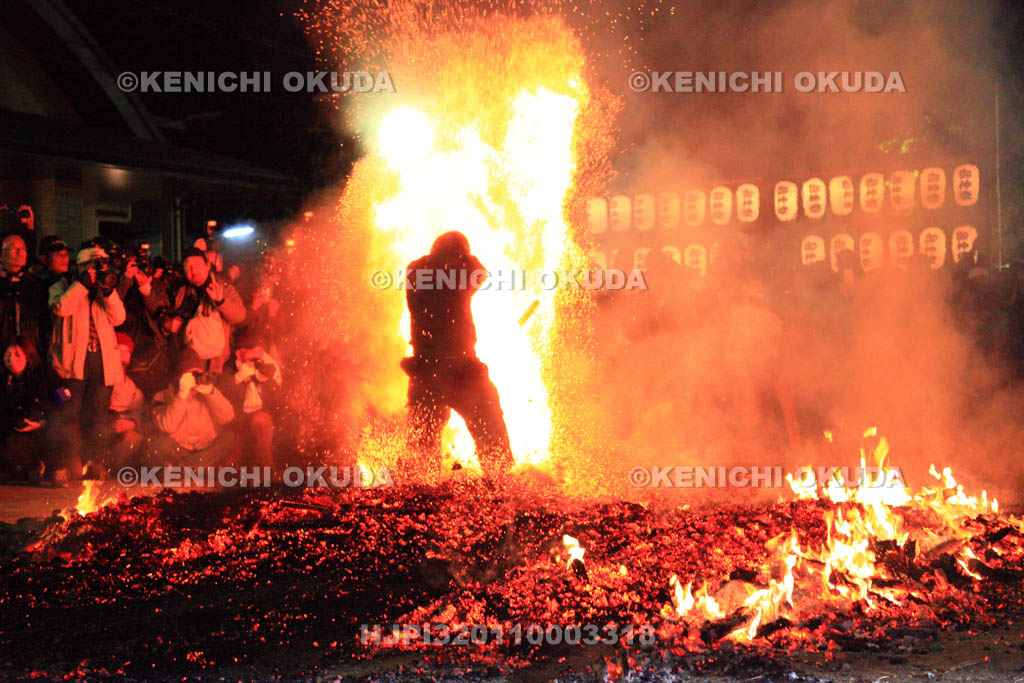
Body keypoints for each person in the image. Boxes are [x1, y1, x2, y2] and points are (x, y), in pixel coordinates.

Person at [402, 231, 513, 480]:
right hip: (461, 367)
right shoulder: (461, 270)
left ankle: (419, 487)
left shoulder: (414, 272)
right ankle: (502, 480)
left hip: (424, 368)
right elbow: (479, 272)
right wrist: (462, 254)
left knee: (423, 437)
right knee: (489, 424)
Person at [49, 244, 127, 475]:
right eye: (89, 266)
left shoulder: (105, 291)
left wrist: (108, 291)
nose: (95, 270)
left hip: (102, 362)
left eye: (99, 266)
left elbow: (119, 317)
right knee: (66, 413)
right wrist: (81, 284)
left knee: (99, 417)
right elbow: (60, 307)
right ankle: (63, 464)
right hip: (70, 363)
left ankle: (95, 462)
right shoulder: (62, 286)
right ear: (79, 267)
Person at [150, 349, 236, 466]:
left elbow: (228, 417)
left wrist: (211, 393)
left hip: (206, 449)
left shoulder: (207, 393)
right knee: (161, 444)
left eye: (198, 374)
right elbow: (167, 427)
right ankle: (198, 469)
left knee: (229, 438)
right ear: (179, 377)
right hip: (179, 449)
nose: (196, 379)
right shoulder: (162, 396)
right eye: (191, 375)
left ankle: (188, 469)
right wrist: (181, 396)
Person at [168, 247, 245, 373]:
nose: (193, 270)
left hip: (216, 363)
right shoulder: (180, 291)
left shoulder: (223, 287)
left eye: (197, 265)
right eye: (188, 266)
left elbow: (239, 316)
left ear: (208, 265)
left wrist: (221, 302)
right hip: (187, 364)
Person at [0, 336, 50, 481]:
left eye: (17, 354)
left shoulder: (44, 375)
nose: (11, 359)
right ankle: (30, 468)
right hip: (18, 436)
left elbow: (64, 402)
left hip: (46, 432)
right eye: (7, 355)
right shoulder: (4, 380)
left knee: (74, 467)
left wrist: (43, 422)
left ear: (27, 355)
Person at [1, 232, 46, 350]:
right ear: (1, 255)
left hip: (28, 349)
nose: (20, 252)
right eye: (14, 249)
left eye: (23, 248)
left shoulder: (35, 283)